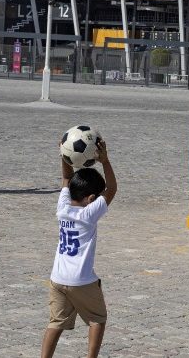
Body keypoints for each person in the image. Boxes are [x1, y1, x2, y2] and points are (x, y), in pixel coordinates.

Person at [42, 137, 117, 358]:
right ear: (91, 198)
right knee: (97, 320)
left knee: (55, 323)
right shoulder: (88, 214)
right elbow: (112, 188)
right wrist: (105, 161)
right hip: (82, 280)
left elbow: (66, 177)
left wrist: (64, 154)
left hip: (57, 279)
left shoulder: (62, 207)